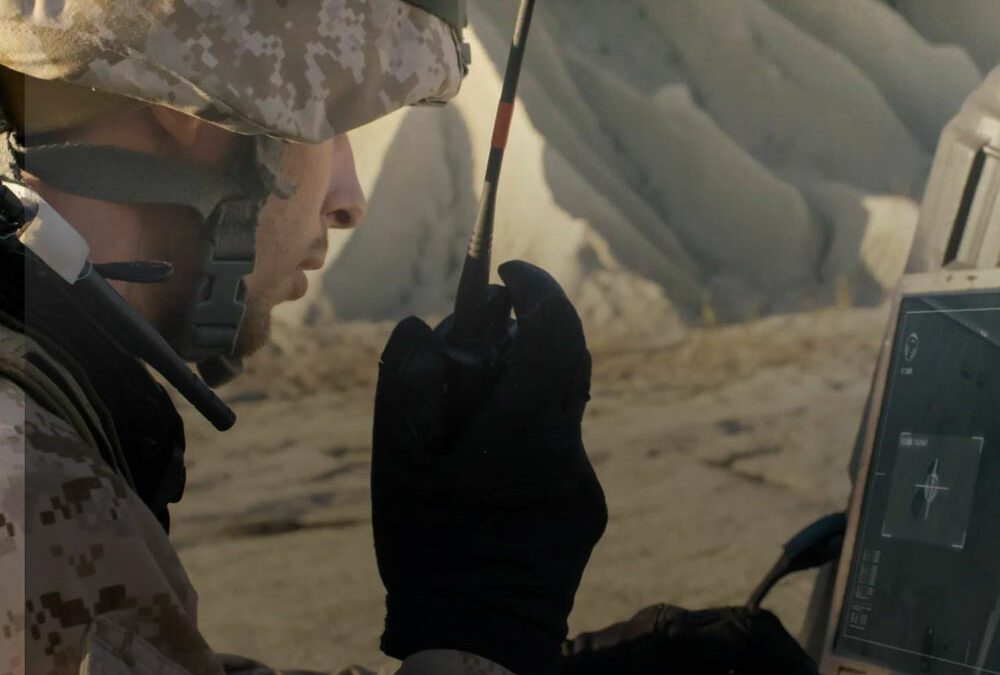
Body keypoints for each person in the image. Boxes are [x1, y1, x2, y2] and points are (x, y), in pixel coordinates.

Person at [0, 2, 818, 674]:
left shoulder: (47, 427)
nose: (349, 198)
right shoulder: (33, 496)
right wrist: (482, 632)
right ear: (190, 104)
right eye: (332, 123)